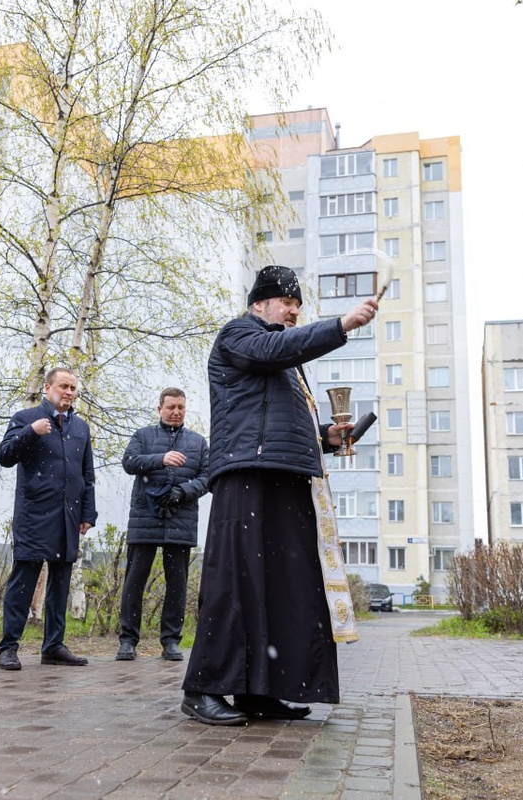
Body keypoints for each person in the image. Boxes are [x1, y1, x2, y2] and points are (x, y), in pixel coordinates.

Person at [180, 264, 377, 725]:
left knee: (284, 588)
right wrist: (339, 326)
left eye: (297, 305)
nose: (292, 310)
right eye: (286, 302)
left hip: (288, 473)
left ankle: (262, 690)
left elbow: (287, 418)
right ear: (259, 304)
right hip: (247, 471)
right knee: (234, 583)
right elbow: (273, 349)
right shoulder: (240, 334)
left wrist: (328, 435)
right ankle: (204, 687)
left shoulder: (289, 366)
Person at [0, 367, 97, 670]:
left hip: (68, 515)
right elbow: (4, 456)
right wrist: (30, 432)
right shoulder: (26, 418)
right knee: (23, 580)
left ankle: (53, 646)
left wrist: (88, 513)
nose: (68, 392)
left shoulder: (80, 427)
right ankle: (9, 647)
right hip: (34, 514)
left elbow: (86, 475)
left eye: (73, 388)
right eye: (63, 386)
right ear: (47, 387)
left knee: (61, 582)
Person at [116, 388, 209, 663]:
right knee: (134, 582)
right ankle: (128, 641)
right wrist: (161, 458)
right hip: (145, 517)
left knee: (177, 585)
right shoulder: (142, 436)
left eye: (181, 407)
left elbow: (207, 477)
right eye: (171, 407)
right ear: (160, 409)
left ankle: (171, 641)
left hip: (181, 519)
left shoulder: (198, 442)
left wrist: (184, 491)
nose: (176, 411)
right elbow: (129, 463)